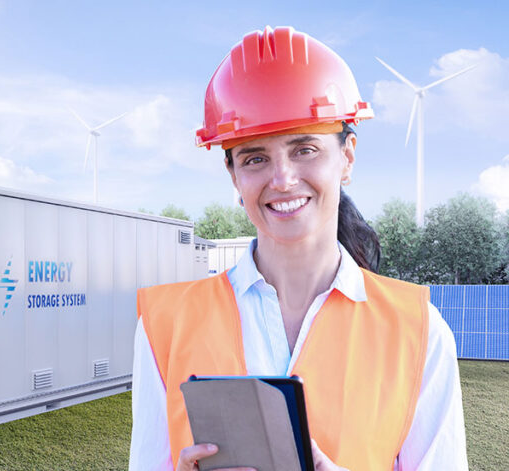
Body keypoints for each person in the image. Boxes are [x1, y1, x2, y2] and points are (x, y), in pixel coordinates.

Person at [129, 26, 467, 471]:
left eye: (305, 149)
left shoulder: (418, 330)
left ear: (347, 157)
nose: (283, 179)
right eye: (254, 157)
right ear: (233, 175)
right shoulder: (164, 326)